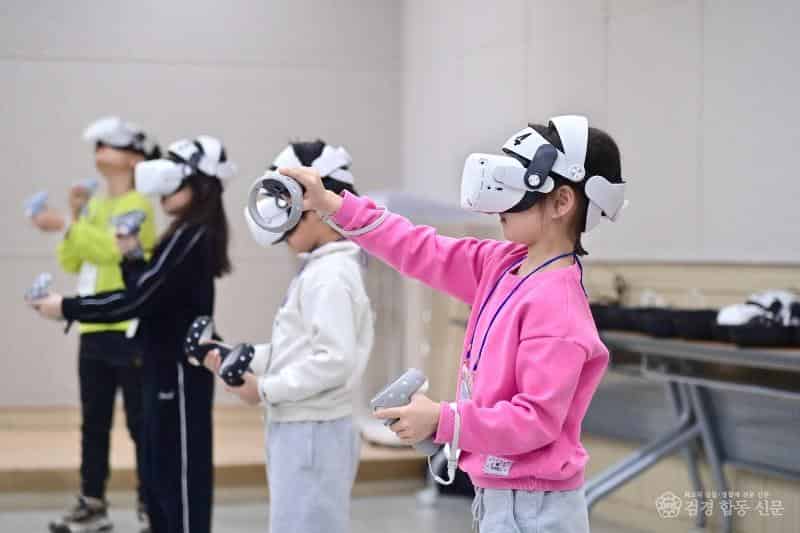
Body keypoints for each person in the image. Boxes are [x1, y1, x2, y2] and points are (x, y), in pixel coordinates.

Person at [282, 116, 628, 533]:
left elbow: (534, 420)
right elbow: (417, 248)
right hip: (502, 498)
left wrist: (444, 420)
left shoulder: (558, 307)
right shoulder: (503, 264)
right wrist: (333, 205)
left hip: (534, 509)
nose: (499, 203)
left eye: (517, 184)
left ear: (561, 203)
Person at [32, 134, 236, 533]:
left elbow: (137, 300)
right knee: (158, 474)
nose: (163, 191)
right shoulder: (181, 233)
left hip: (178, 374)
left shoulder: (192, 236)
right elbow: (147, 288)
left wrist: (67, 307)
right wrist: (131, 254)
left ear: (199, 185)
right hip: (160, 368)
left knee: (178, 480)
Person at [207, 140, 374, 533]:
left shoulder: (330, 276)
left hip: (313, 432)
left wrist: (264, 389)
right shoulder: (320, 269)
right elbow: (303, 349)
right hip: (303, 427)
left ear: (315, 205)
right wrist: (249, 357)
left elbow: (334, 361)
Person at [51, 116, 159, 533]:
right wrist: (77, 218)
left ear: (134, 158)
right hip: (92, 330)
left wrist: (71, 225)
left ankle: (151, 506)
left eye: (110, 145)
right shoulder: (94, 206)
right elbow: (71, 260)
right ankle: (92, 504)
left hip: (128, 329)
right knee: (93, 423)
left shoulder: (139, 206)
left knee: (139, 423)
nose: (100, 151)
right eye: (98, 145)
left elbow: (113, 252)